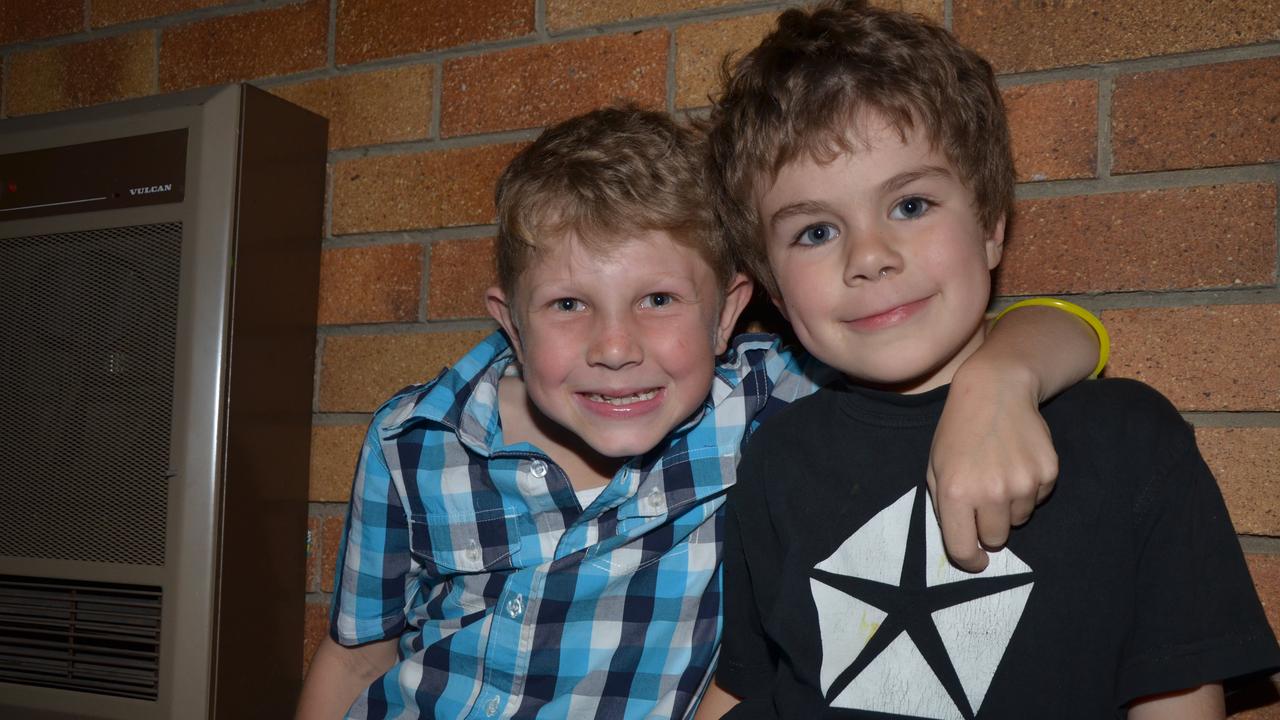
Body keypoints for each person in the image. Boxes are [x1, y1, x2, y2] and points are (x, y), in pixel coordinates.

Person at [294, 105, 1103, 719]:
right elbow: (356, 657)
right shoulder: (414, 439)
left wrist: (1001, 381)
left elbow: (1053, 330)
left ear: (726, 316)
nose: (616, 346)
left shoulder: (762, 400)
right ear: (509, 321)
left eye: (658, 299)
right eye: (570, 303)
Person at [701, 2, 1280, 717]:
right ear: (776, 292)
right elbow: (746, 683)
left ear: (992, 228)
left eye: (911, 205)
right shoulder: (776, 457)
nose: (870, 257)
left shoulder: (1130, 439)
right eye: (816, 230)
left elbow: (1180, 695)